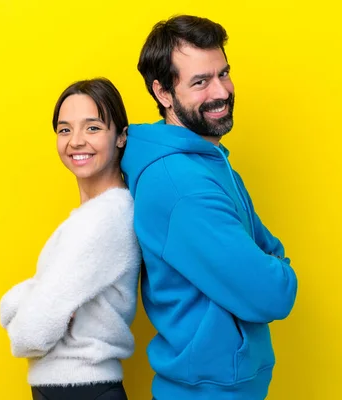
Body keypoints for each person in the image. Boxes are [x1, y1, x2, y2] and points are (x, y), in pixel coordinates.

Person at [120, 15, 298, 400]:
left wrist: (269, 262)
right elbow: (273, 292)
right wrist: (278, 271)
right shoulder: (181, 186)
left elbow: (266, 248)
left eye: (223, 73)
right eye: (200, 82)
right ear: (163, 93)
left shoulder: (209, 159)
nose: (221, 91)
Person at [0, 78, 141, 400]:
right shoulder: (89, 217)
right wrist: (40, 297)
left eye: (92, 128)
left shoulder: (104, 218)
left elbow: (30, 332)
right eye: (65, 130)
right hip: (73, 388)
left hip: (83, 390)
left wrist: (35, 301)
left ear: (121, 137)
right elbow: (17, 307)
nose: (76, 141)